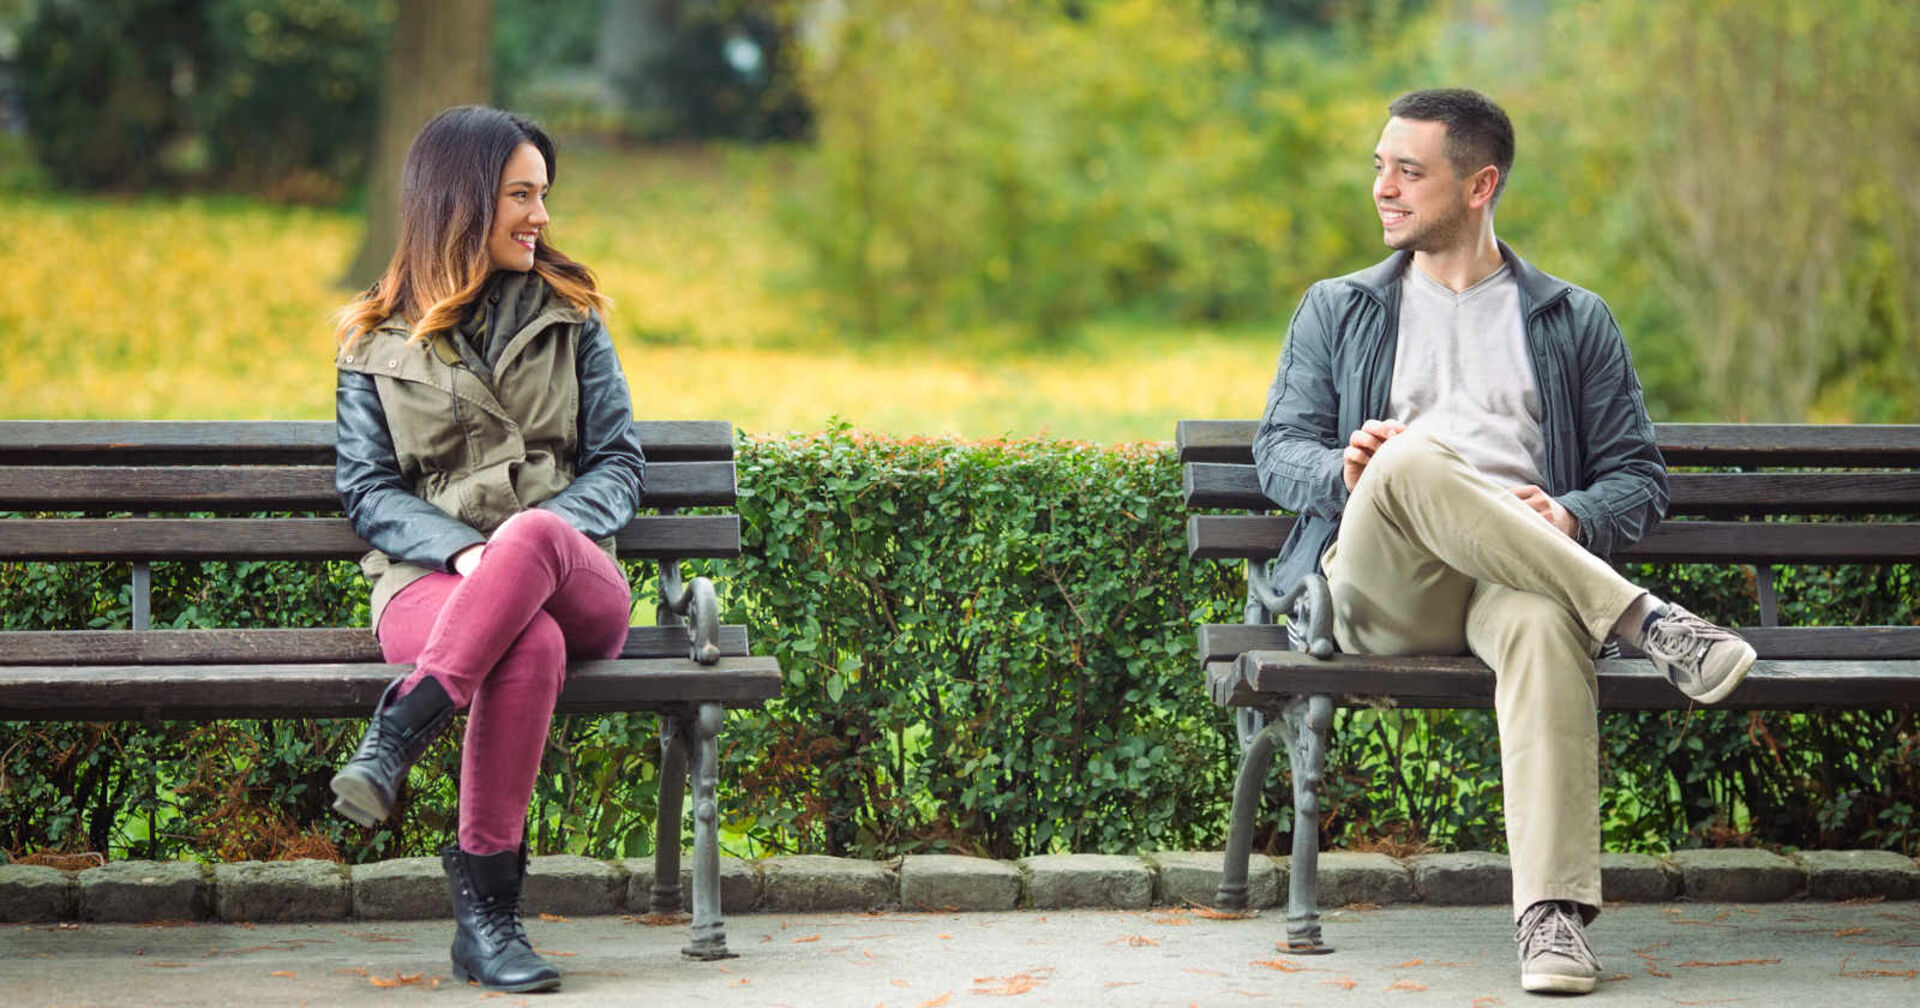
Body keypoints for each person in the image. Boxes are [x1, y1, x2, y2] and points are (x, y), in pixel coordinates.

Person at [1253, 88, 1756, 996]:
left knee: (1541, 618)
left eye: (1410, 171)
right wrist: (1347, 469)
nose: (1384, 189)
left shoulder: (1571, 319)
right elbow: (1276, 451)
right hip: (1383, 587)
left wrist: (1568, 516)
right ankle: (1645, 619)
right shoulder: (1339, 309)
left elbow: (1637, 479)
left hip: (1508, 577)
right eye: (1379, 166)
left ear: (1479, 184)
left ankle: (1552, 921)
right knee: (1405, 455)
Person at [328, 105, 645, 994]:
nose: (541, 215)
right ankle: (489, 925)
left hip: (575, 573)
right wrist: (467, 555)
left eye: (544, 194)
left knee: (535, 534)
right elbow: (368, 491)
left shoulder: (573, 315)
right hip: (432, 585)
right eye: (521, 195)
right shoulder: (372, 340)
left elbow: (619, 460)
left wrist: (526, 541)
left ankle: (402, 725)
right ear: (460, 202)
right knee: (526, 643)